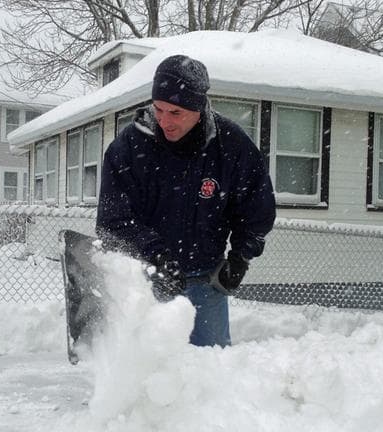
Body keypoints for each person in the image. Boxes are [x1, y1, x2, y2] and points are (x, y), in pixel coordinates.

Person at [96, 54, 276, 347]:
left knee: (210, 372)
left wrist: (241, 257)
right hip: (147, 284)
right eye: (159, 109)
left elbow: (256, 209)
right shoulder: (128, 148)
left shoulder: (231, 145)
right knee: (150, 378)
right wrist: (156, 256)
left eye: (176, 113)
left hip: (206, 283)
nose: (164, 121)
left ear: (199, 107)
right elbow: (112, 220)